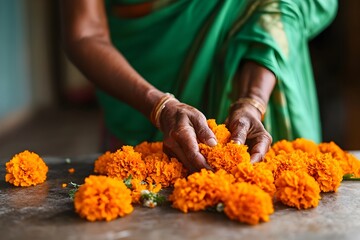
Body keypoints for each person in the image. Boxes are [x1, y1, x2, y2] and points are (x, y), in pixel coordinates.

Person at [60, 0, 337, 172]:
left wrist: (254, 100)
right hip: (138, 95)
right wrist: (159, 106)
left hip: (265, 78)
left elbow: (284, 5)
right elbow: (86, 33)